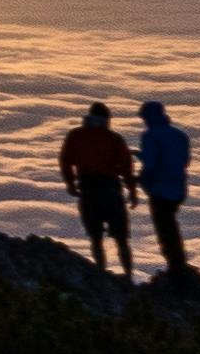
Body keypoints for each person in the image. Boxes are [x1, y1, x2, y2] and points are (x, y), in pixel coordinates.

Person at [57, 100, 139, 276]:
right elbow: (126, 166)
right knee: (121, 238)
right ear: (106, 119)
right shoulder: (114, 138)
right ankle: (128, 277)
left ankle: (101, 274)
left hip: (87, 190)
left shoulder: (75, 135)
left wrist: (70, 183)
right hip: (111, 191)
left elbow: (65, 160)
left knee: (95, 237)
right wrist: (132, 191)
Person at [134, 98, 197, 278]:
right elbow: (184, 162)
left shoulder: (150, 136)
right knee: (171, 226)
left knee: (165, 229)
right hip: (178, 188)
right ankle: (178, 264)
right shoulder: (180, 135)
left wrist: (140, 179)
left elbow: (152, 165)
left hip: (160, 190)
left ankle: (176, 268)